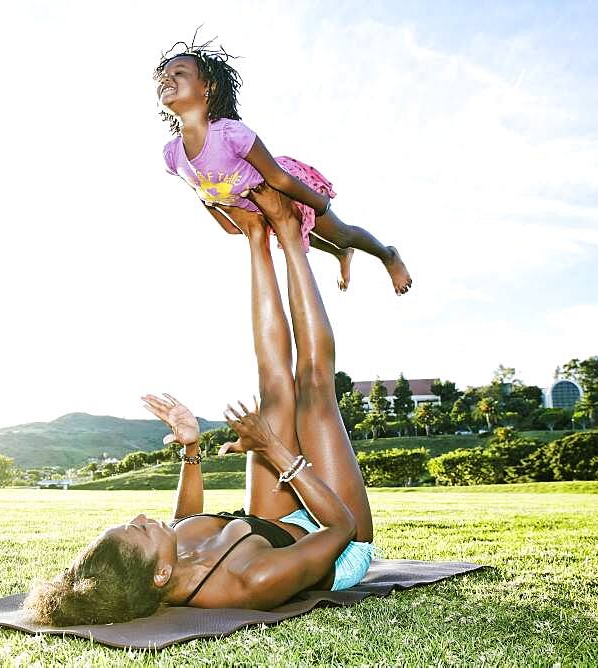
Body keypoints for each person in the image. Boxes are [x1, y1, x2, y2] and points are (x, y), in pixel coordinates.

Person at [23, 188, 375, 625]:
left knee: (274, 392)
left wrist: (191, 449)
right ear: (162, 573)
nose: (140, 517)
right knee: (313, 392)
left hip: (272, 523)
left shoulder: (167, 557)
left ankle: (255, 238)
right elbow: (339, 529)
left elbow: (185, 520)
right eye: (139, 529)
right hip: (337, 540)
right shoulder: (253, 580)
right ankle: (288, 231)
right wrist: (272, 449)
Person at [156, 41, 412, 295]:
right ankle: (341, 254)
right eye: (164, 75)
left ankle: (387, 255)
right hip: (257, 208)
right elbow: (201, 187)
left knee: (340, 234)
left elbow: (278, 178)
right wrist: (228, 225)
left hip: (285, 188)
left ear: (208, 88)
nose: (167, 78)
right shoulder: (172, 154)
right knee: (304, 237)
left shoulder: (230, 133)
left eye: (179, 72)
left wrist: (319, 203)